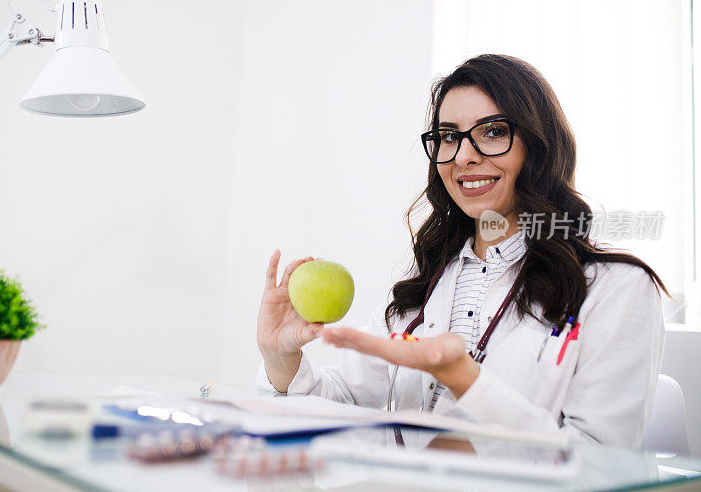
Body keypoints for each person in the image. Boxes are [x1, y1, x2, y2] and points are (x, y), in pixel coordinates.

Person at [255, 54, 667, 449]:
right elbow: (339, 400)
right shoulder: (427, 287)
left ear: (538, 148)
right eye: (449, 137)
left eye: (493, 131)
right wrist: (280, 357)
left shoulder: (617, 288)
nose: (464, 156)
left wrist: (464, 379)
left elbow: (600, 461)